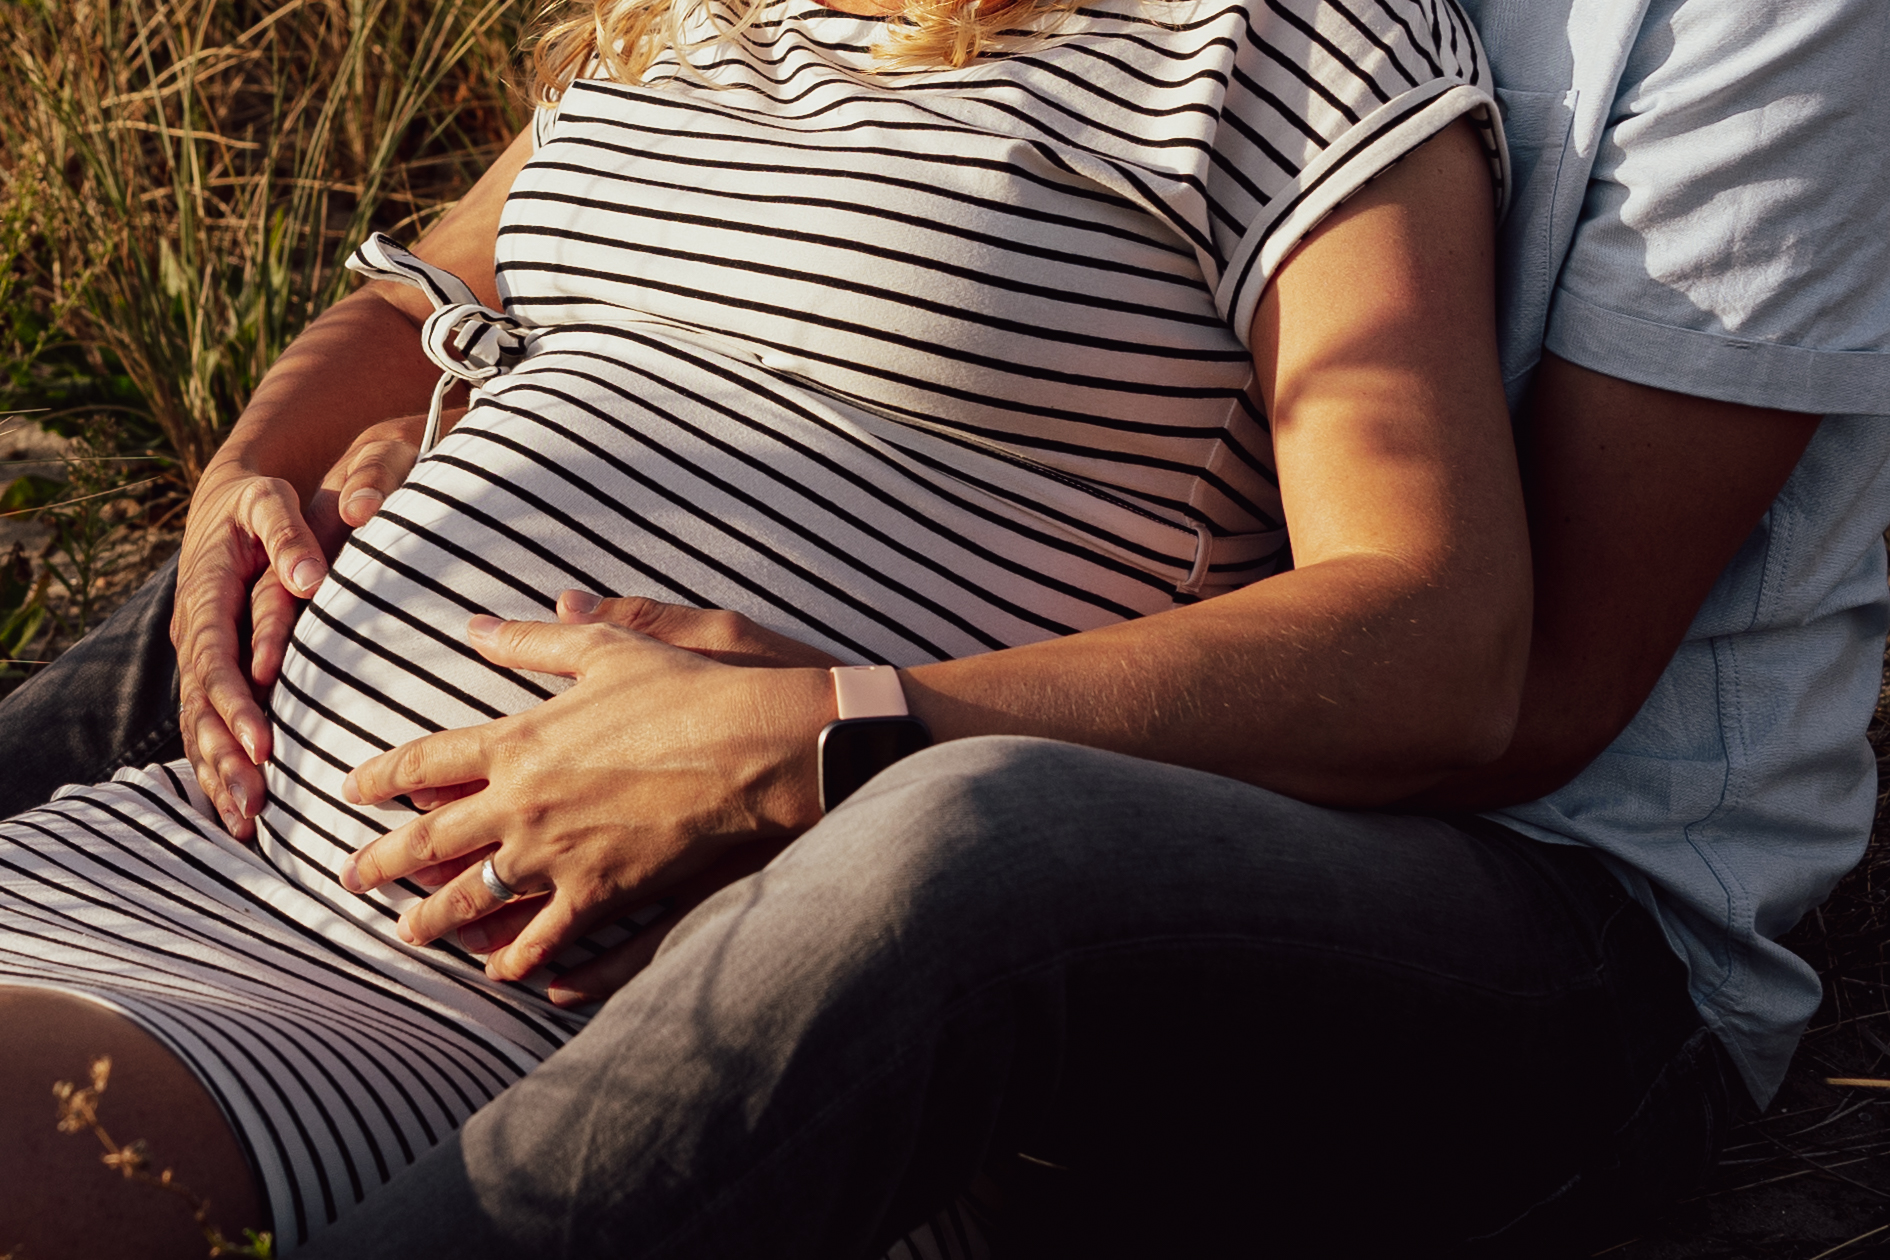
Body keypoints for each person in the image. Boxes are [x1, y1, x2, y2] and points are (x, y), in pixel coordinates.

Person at [0, 0, 1542, 1256]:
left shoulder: (1273, 42)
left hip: (529, 1023)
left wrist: (823, 726)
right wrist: (250, 468)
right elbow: (423, 295)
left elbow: (1434, 633)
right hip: (176, 849)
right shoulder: (679, 15)